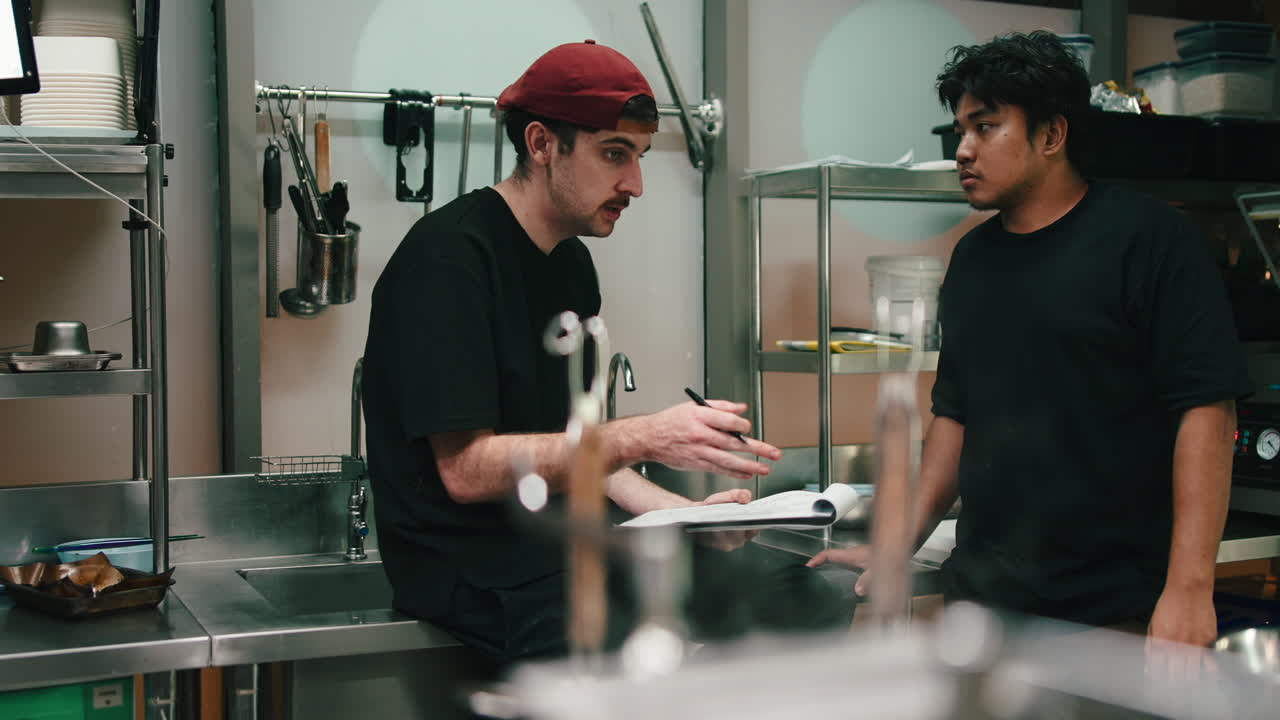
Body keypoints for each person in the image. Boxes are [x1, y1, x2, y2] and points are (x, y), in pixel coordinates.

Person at [362, 40, 849, 663]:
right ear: (541, 144)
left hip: (568, 540)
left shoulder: (571, 265)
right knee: (640, 651)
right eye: (614, 154)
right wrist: (644, 435)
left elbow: (574, 444)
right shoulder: (447, 262)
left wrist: (685, 516)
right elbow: (467, 471)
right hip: (476, 567)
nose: (636, 184)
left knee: (805, 596)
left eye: (640, 157)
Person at [810, 31, 1251, 647]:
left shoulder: (1149, 240)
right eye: (960, 129)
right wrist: (894, 545)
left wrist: (1189, 588)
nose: (962, 150)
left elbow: (1205, 411)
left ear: (1051, 134)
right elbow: (954, 417)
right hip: (986, 606)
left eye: (985, 127)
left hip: (1115, 610)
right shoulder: (972, 259)